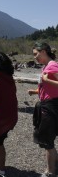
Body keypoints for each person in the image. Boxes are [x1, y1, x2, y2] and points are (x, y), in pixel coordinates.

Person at [28, 42, 58, 177]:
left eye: (36, 54)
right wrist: (36, 91)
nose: (35, 57)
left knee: (47, 141)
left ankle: (50, 172)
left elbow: (50, 82)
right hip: (47, 104)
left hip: (51, 107)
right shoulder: (46, 66)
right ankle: (54, 167)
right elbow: (48, 87)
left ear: (44, 51)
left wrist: (47, 80)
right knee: (47, 140)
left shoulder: (52, 65)